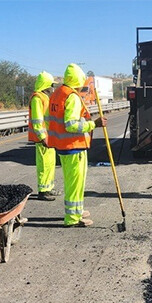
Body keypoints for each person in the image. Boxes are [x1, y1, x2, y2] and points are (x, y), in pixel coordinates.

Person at [48, 63, 106, 227]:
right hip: (74, 146)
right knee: (75, 183)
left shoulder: (57, 93)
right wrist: (93, 124)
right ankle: (72, 218)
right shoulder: (72, 96)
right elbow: (71, 125)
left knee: (71, 182)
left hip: (62, 146)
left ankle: (77, 210)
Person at [28, 71, 57, 201]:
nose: (53, 87)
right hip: (43, 138)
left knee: (50, 163)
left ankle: (49, 188)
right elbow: (37, 120)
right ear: (46, 84)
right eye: (51, 85)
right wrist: (42, 137)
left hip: (50, 137)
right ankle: (43, 191)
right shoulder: (37, 98)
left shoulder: (46, 97)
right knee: (44, 165)